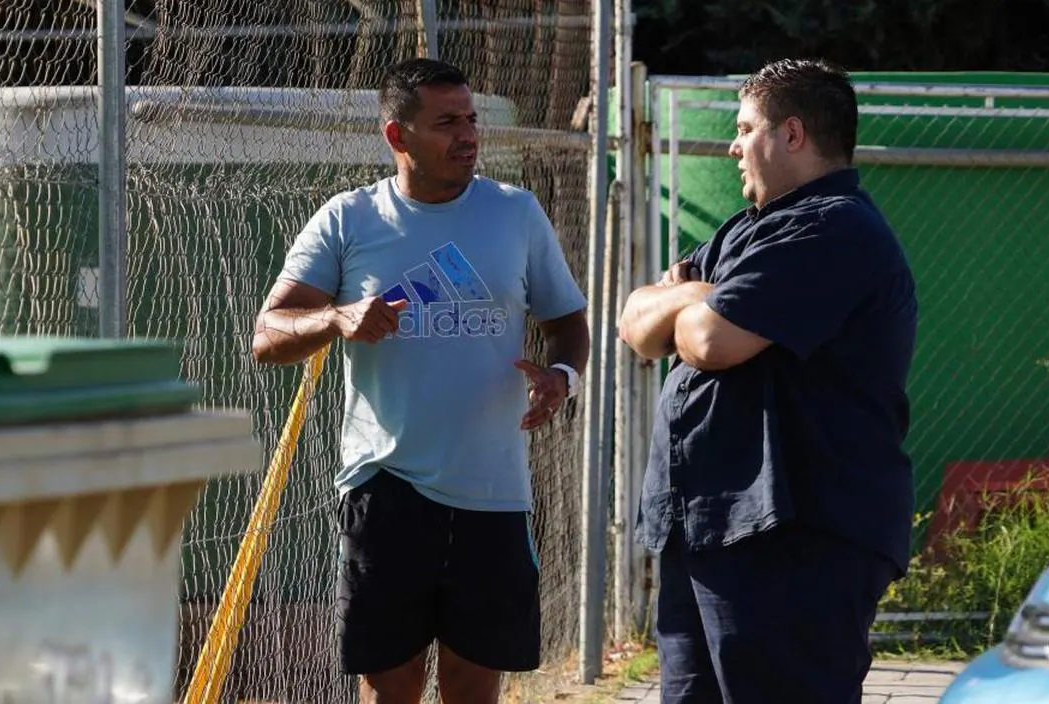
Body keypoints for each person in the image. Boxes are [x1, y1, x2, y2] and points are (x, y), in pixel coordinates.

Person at [251, 58, 590, 704]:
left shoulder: (515, 214)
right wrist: (337, 317)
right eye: (446, 123)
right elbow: (267, 336)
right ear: (397, 136)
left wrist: (561, 376)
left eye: (470, 120)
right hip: (388, 488)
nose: (467, 136)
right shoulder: (349, 220)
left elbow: (568, 323)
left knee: (472, 684)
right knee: (392, 684)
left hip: (493, 491)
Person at [618, 58, 917, 704]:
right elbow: (637, 324)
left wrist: (694, 306)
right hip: (709, 527)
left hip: (792, 541)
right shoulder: (746, 232)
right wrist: (705, 293)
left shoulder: (833, 227)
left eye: (745, 127)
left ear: (793, 134)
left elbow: (708, 341)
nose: (732, 144)